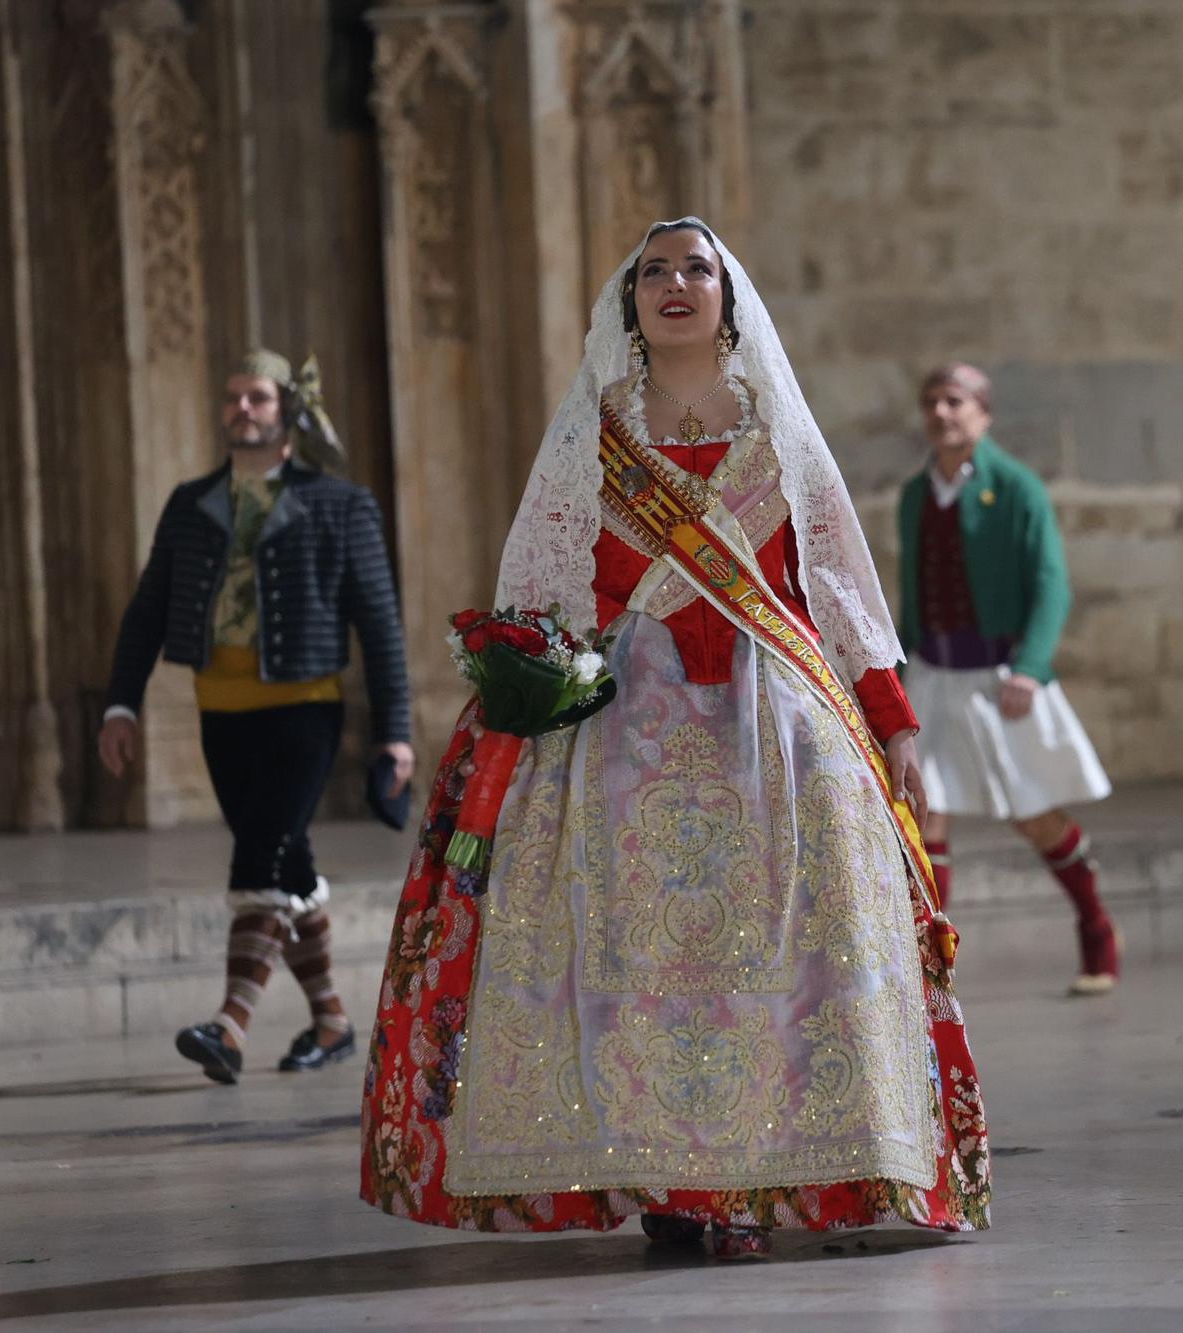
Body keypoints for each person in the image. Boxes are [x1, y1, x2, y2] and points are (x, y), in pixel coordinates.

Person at [359, 220, 991, 1259]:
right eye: (653, 271)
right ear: (629, 303)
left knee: (787, 955)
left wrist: (893, 727)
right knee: (640, 965)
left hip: (774, 720)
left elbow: (834, 587)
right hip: (625, 728)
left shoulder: (776, 427)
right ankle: (670, 1181)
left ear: (728, 299)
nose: (674, 284)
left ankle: (757, 1185)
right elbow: (540, 587)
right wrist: (520, 702)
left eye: (695, 268)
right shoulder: (592, 435)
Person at [100, 348, 413, 1083]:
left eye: (259, 398)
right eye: (234, 397)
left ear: (288, 415)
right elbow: (148, 609)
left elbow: (379, 621)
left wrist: (396, 731)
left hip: (303, 711)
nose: (243, 408)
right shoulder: (191, 502)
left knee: (259, 857)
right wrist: (122, 701)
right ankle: (334, 1021)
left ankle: (229, 1025)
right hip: (221, 711)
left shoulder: (340, 503)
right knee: (287, 861)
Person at [897, 363, 1118, 995]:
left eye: (954, 401)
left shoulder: (1017, 488)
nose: (941, 412)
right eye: (931, 401)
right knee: (924, 811)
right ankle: (931, 966)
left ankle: (1097, 927)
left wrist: (1030, 669)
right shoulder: (917, 494)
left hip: (999, 679)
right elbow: (912, 595)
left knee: (1034, 816)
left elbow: (1051, 583)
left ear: (983, 413)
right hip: (935, 676)